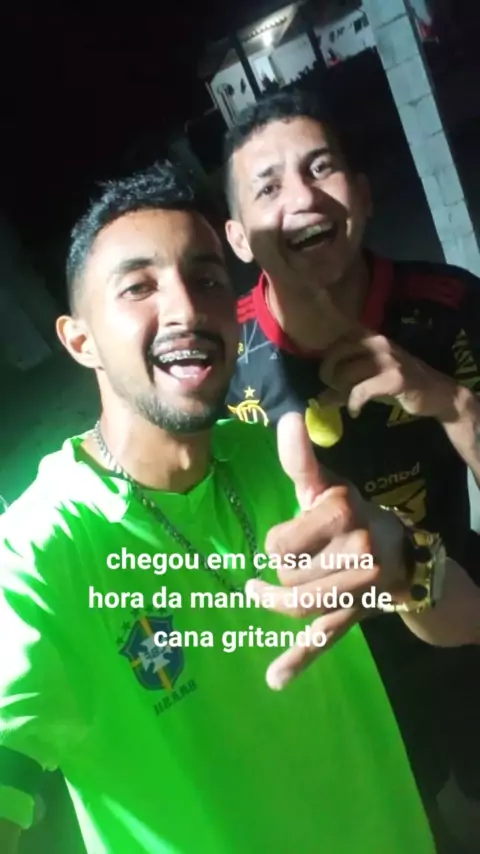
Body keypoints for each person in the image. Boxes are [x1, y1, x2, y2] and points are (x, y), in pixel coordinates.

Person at [2, 160, 460, 854]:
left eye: (208, 279)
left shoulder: (279, 462)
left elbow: (463, 616)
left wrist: (406, 564)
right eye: (138, 287)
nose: (187, 310)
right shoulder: (38, 552)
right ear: (80, 340)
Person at [223, 88, 480, 815]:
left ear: (362, 197)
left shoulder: (448, 309)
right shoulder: (226, 364)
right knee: (407, 818)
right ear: (239, 239)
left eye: (320, 169)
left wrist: (448, 400)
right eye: (268, 187)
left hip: (459, 595)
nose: (302, 198)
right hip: (336, 657)